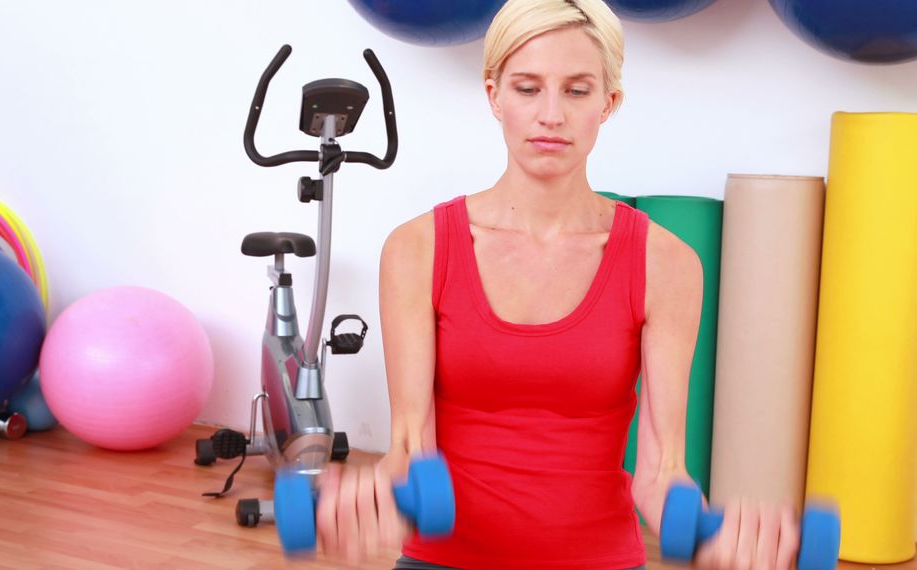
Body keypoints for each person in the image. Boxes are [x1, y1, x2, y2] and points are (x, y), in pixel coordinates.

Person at [315, 0, 801, 568]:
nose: (552, 115)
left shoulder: (666, 264)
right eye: (527, 88)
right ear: (494, 95)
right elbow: (408, 450)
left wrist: (713, 534)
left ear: (608, 103)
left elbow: (661, 474)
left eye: (576, 90)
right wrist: (370, 503)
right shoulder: (417, 248)